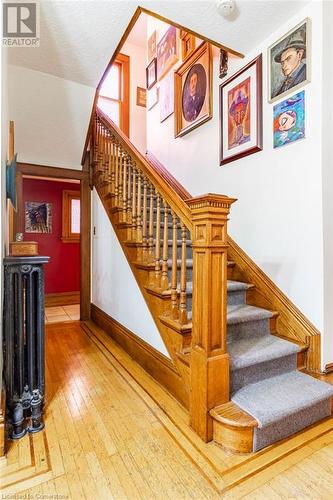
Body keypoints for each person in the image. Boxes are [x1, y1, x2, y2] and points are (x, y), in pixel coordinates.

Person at [272, 30, 306, 98]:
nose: (284, 65)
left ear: (299, 55)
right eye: (282, 62)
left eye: (288, 58)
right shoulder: (285, 82)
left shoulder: (306, 73)